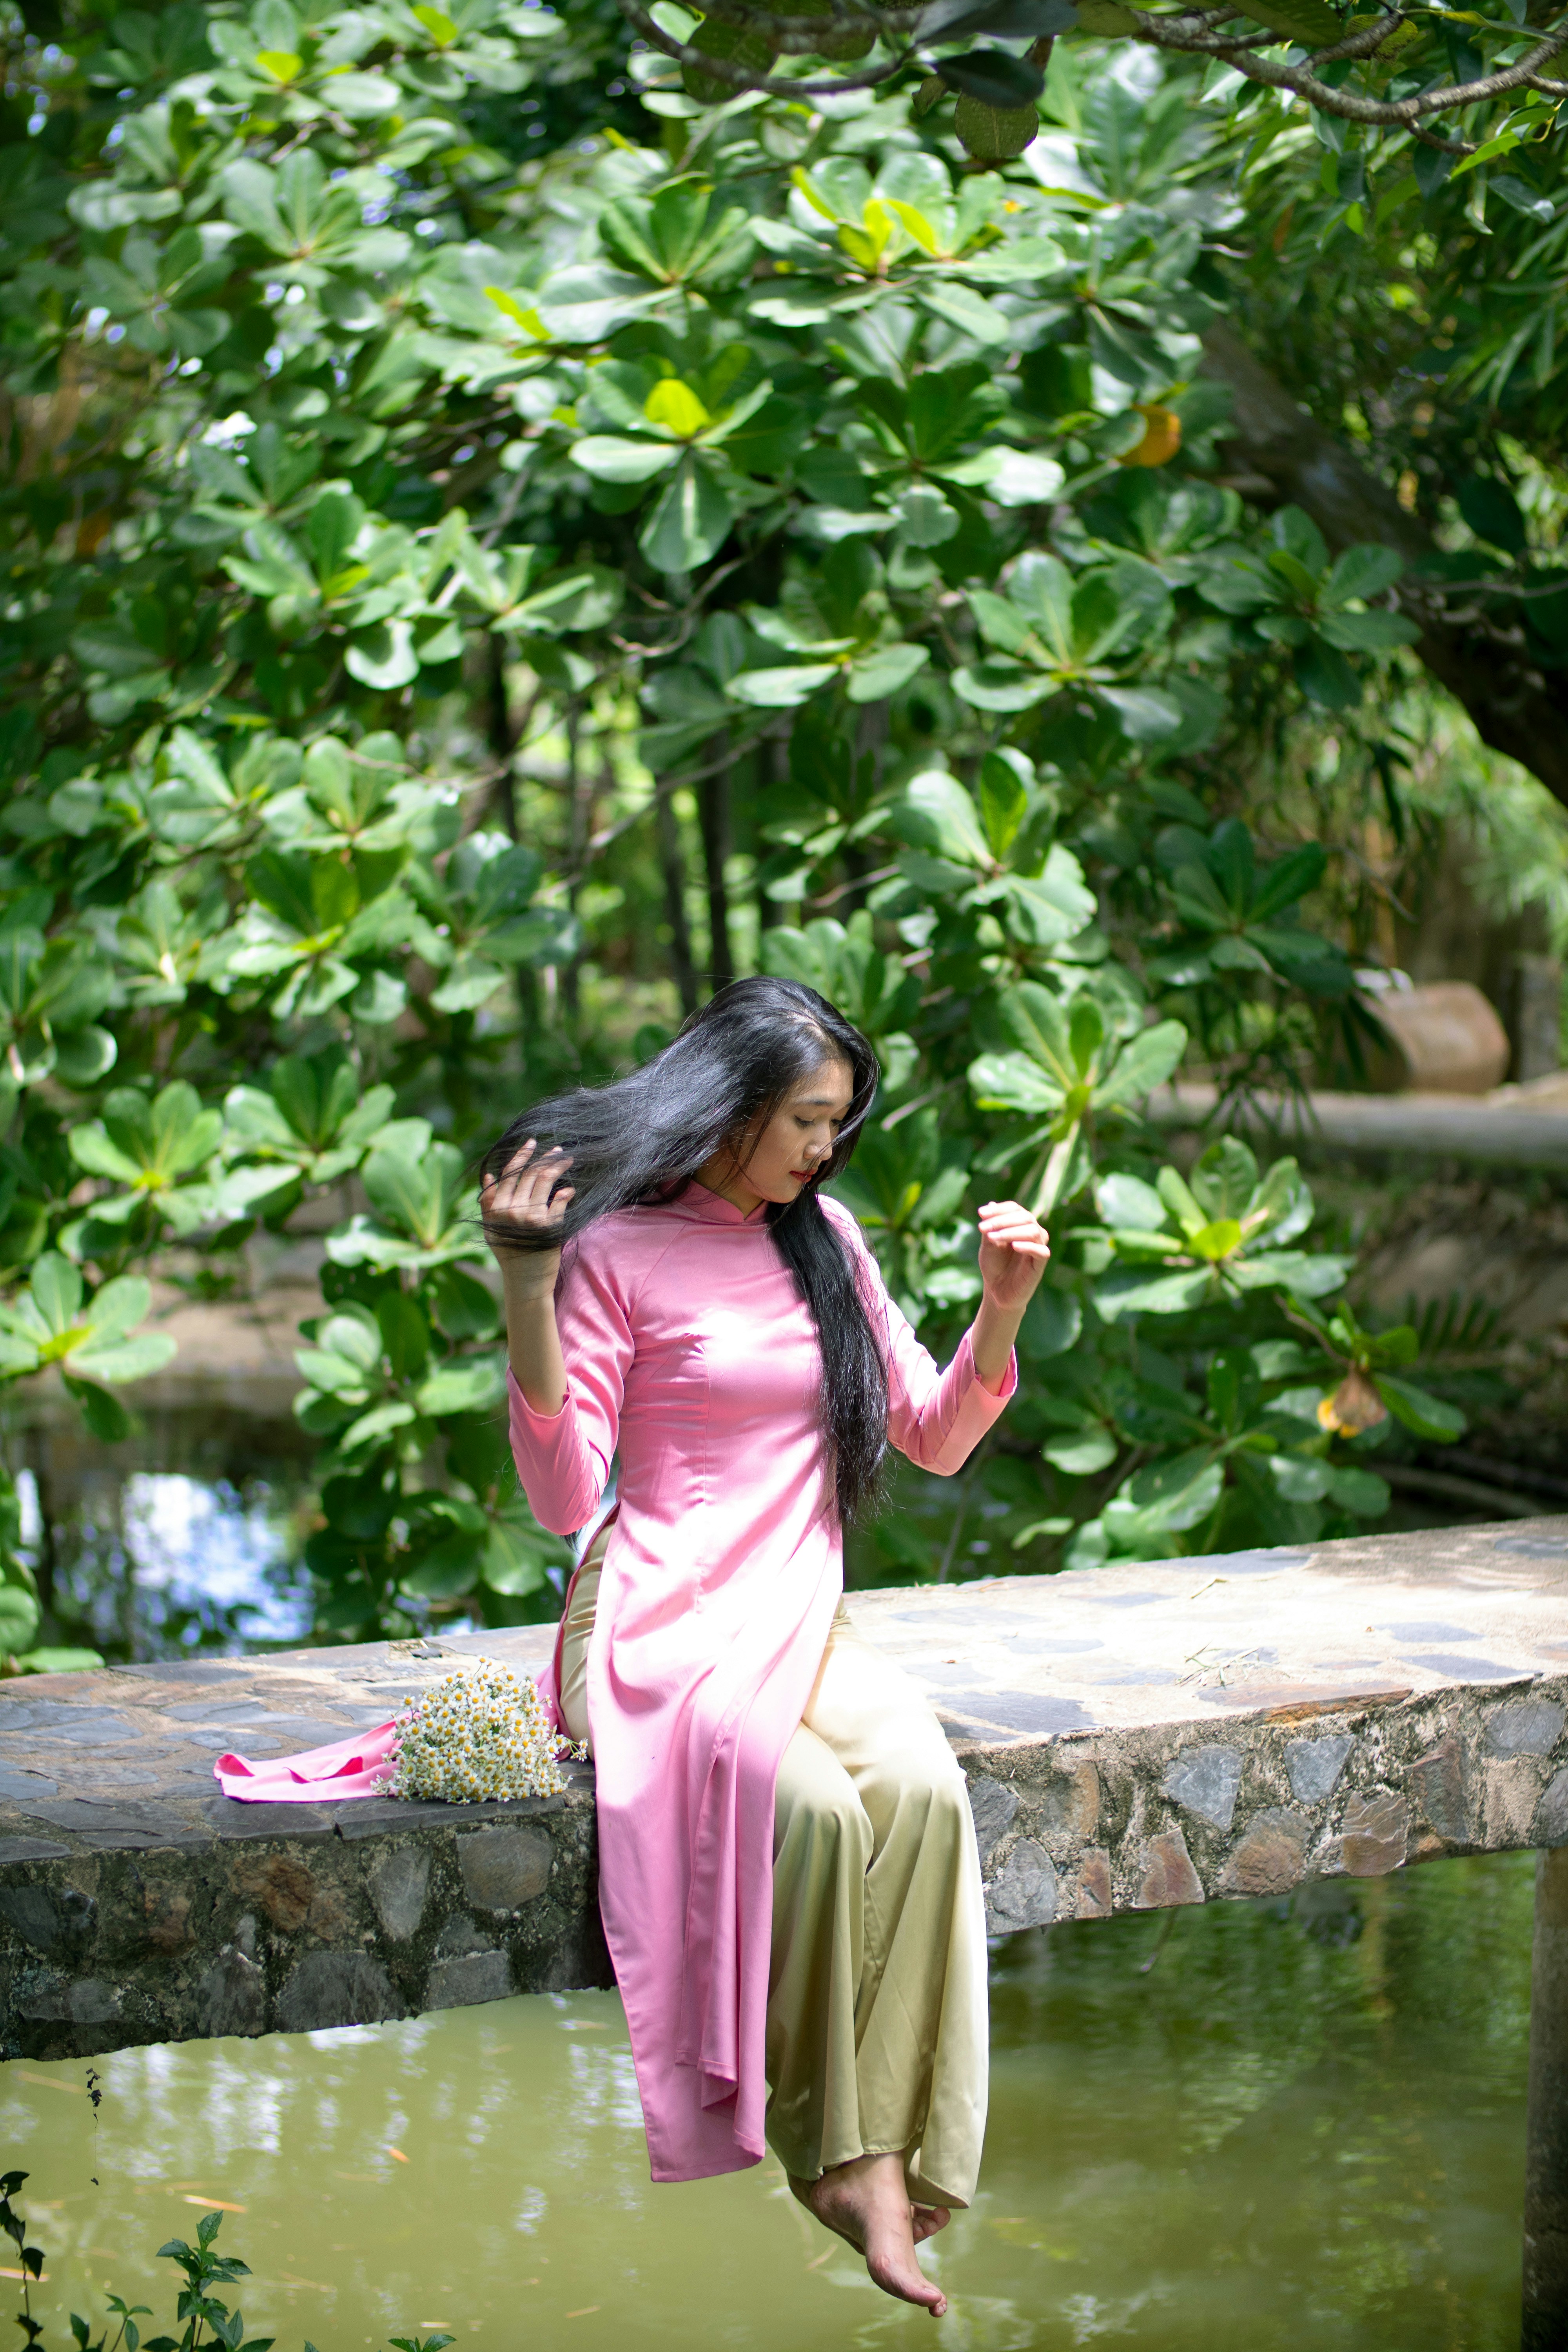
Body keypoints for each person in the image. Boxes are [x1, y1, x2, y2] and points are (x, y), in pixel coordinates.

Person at [481, 976, 1048, 2318]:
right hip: (652, 1619)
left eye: (837, 1123)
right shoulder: (617, 1251)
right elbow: (565, 1501)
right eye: (804, 1119)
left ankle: (899, 2151)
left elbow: (930, 1435)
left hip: (795, 1610)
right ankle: (838, 2159)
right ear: (728, 1106)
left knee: (921, 1789)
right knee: (806, 1810)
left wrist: (1002, 1309)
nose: (822, 1148)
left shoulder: (827, 1240)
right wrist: (527, 1285)